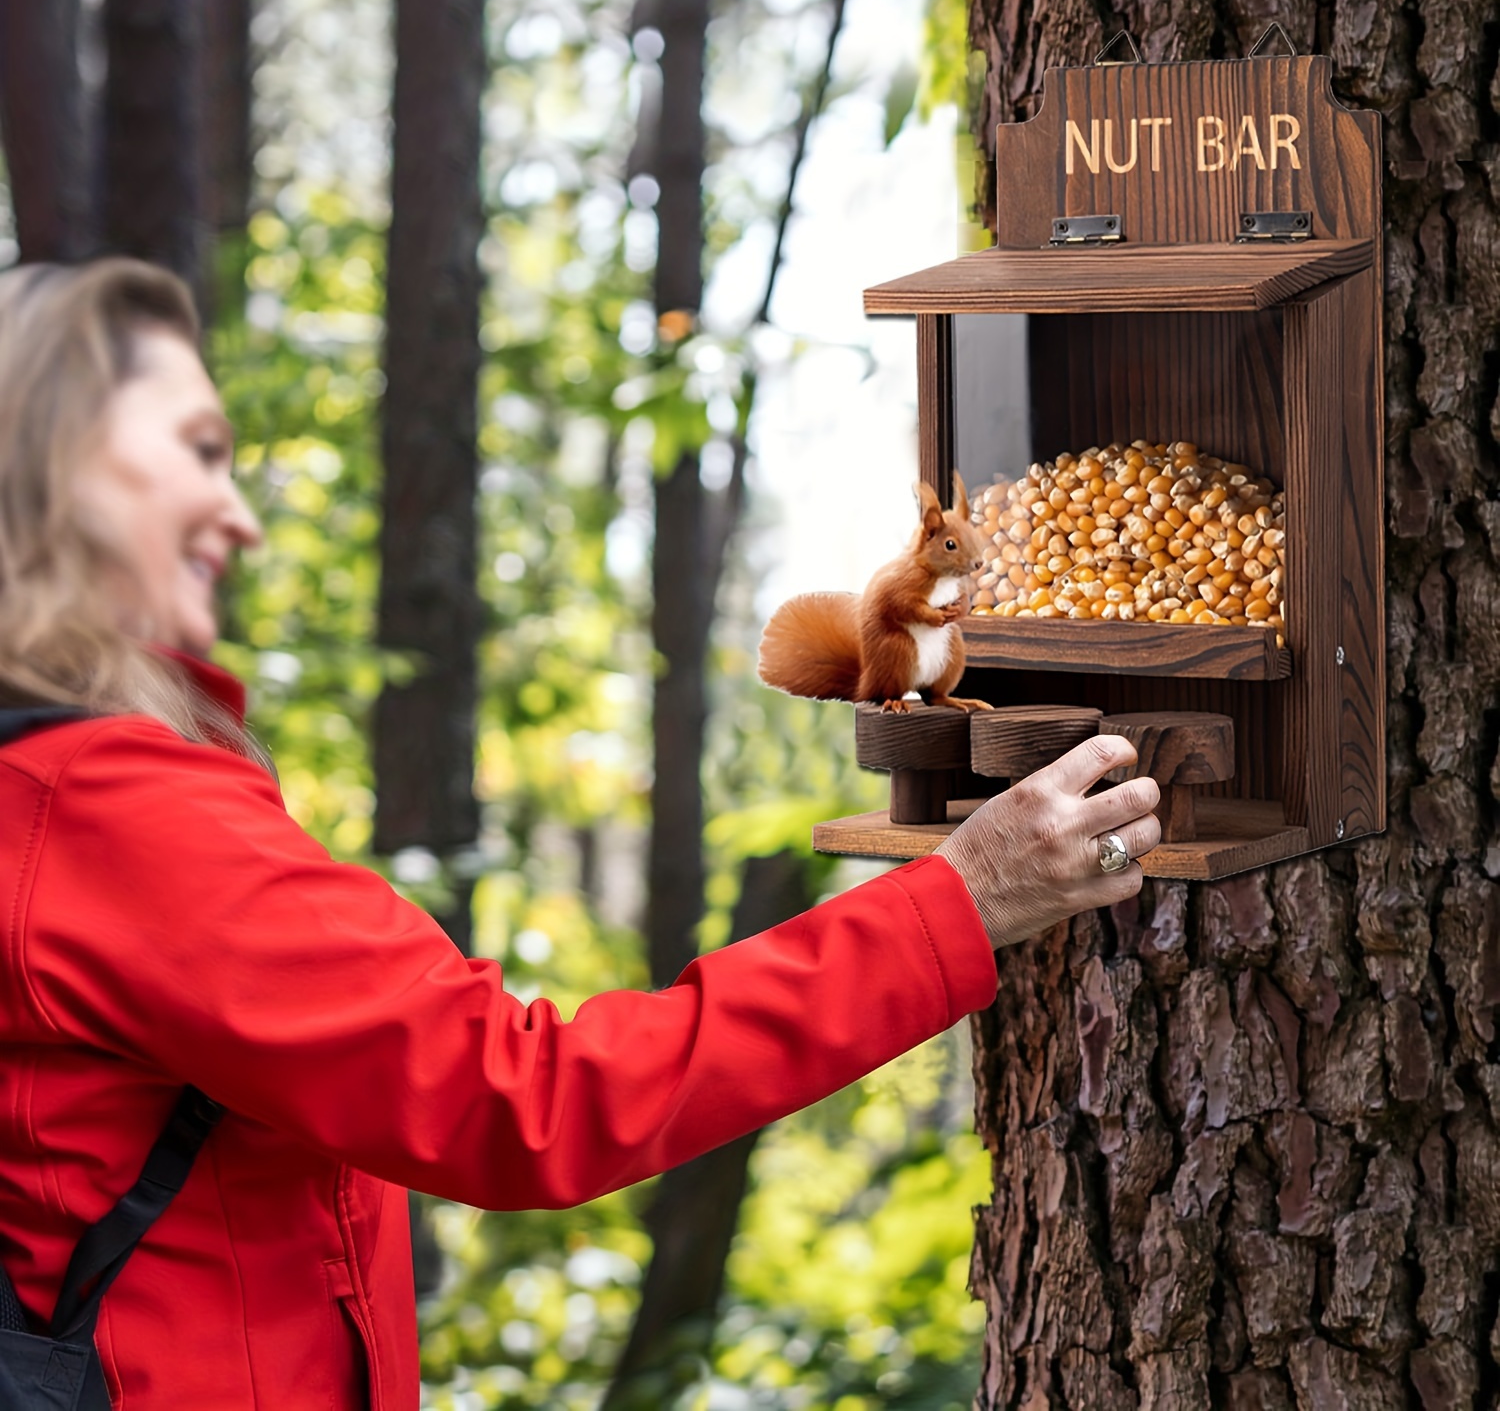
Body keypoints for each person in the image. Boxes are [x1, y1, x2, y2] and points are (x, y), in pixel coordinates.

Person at [0, 258, 1160, 1409]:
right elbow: (525, 1099)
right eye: (195, 452)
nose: (237, 513)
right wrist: (961, 903)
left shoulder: (42, 789)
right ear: (56, 472)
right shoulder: (104, 813)